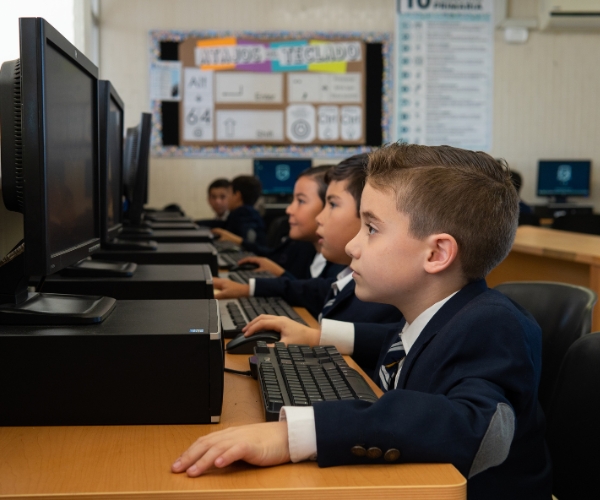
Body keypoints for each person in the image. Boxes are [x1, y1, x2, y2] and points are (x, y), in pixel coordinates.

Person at [172, 143, 551, 500]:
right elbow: (410, 348)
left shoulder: (494, 324)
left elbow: (477, 425)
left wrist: (299, 434)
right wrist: (320, 337)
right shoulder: (434, 318)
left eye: (370, 228)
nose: (353, 246)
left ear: (436, 253)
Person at [212, 153, 405, 378]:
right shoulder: (352, 277)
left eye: (370, 227)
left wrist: (317, 337)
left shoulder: (387, 291)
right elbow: (319, 289)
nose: (320, 218)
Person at [217, 165, 344, 280]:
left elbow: (317, 292)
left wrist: (259, 285)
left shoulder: (342, 262)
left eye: (301, 201)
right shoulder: (305, 246)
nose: (289, 209)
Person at [211, 175, 267, 246]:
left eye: (229, 193)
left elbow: (250, 242)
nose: (227, 198)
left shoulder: (243, 214)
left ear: (237, 195)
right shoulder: (248, 212)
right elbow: (221, 224)